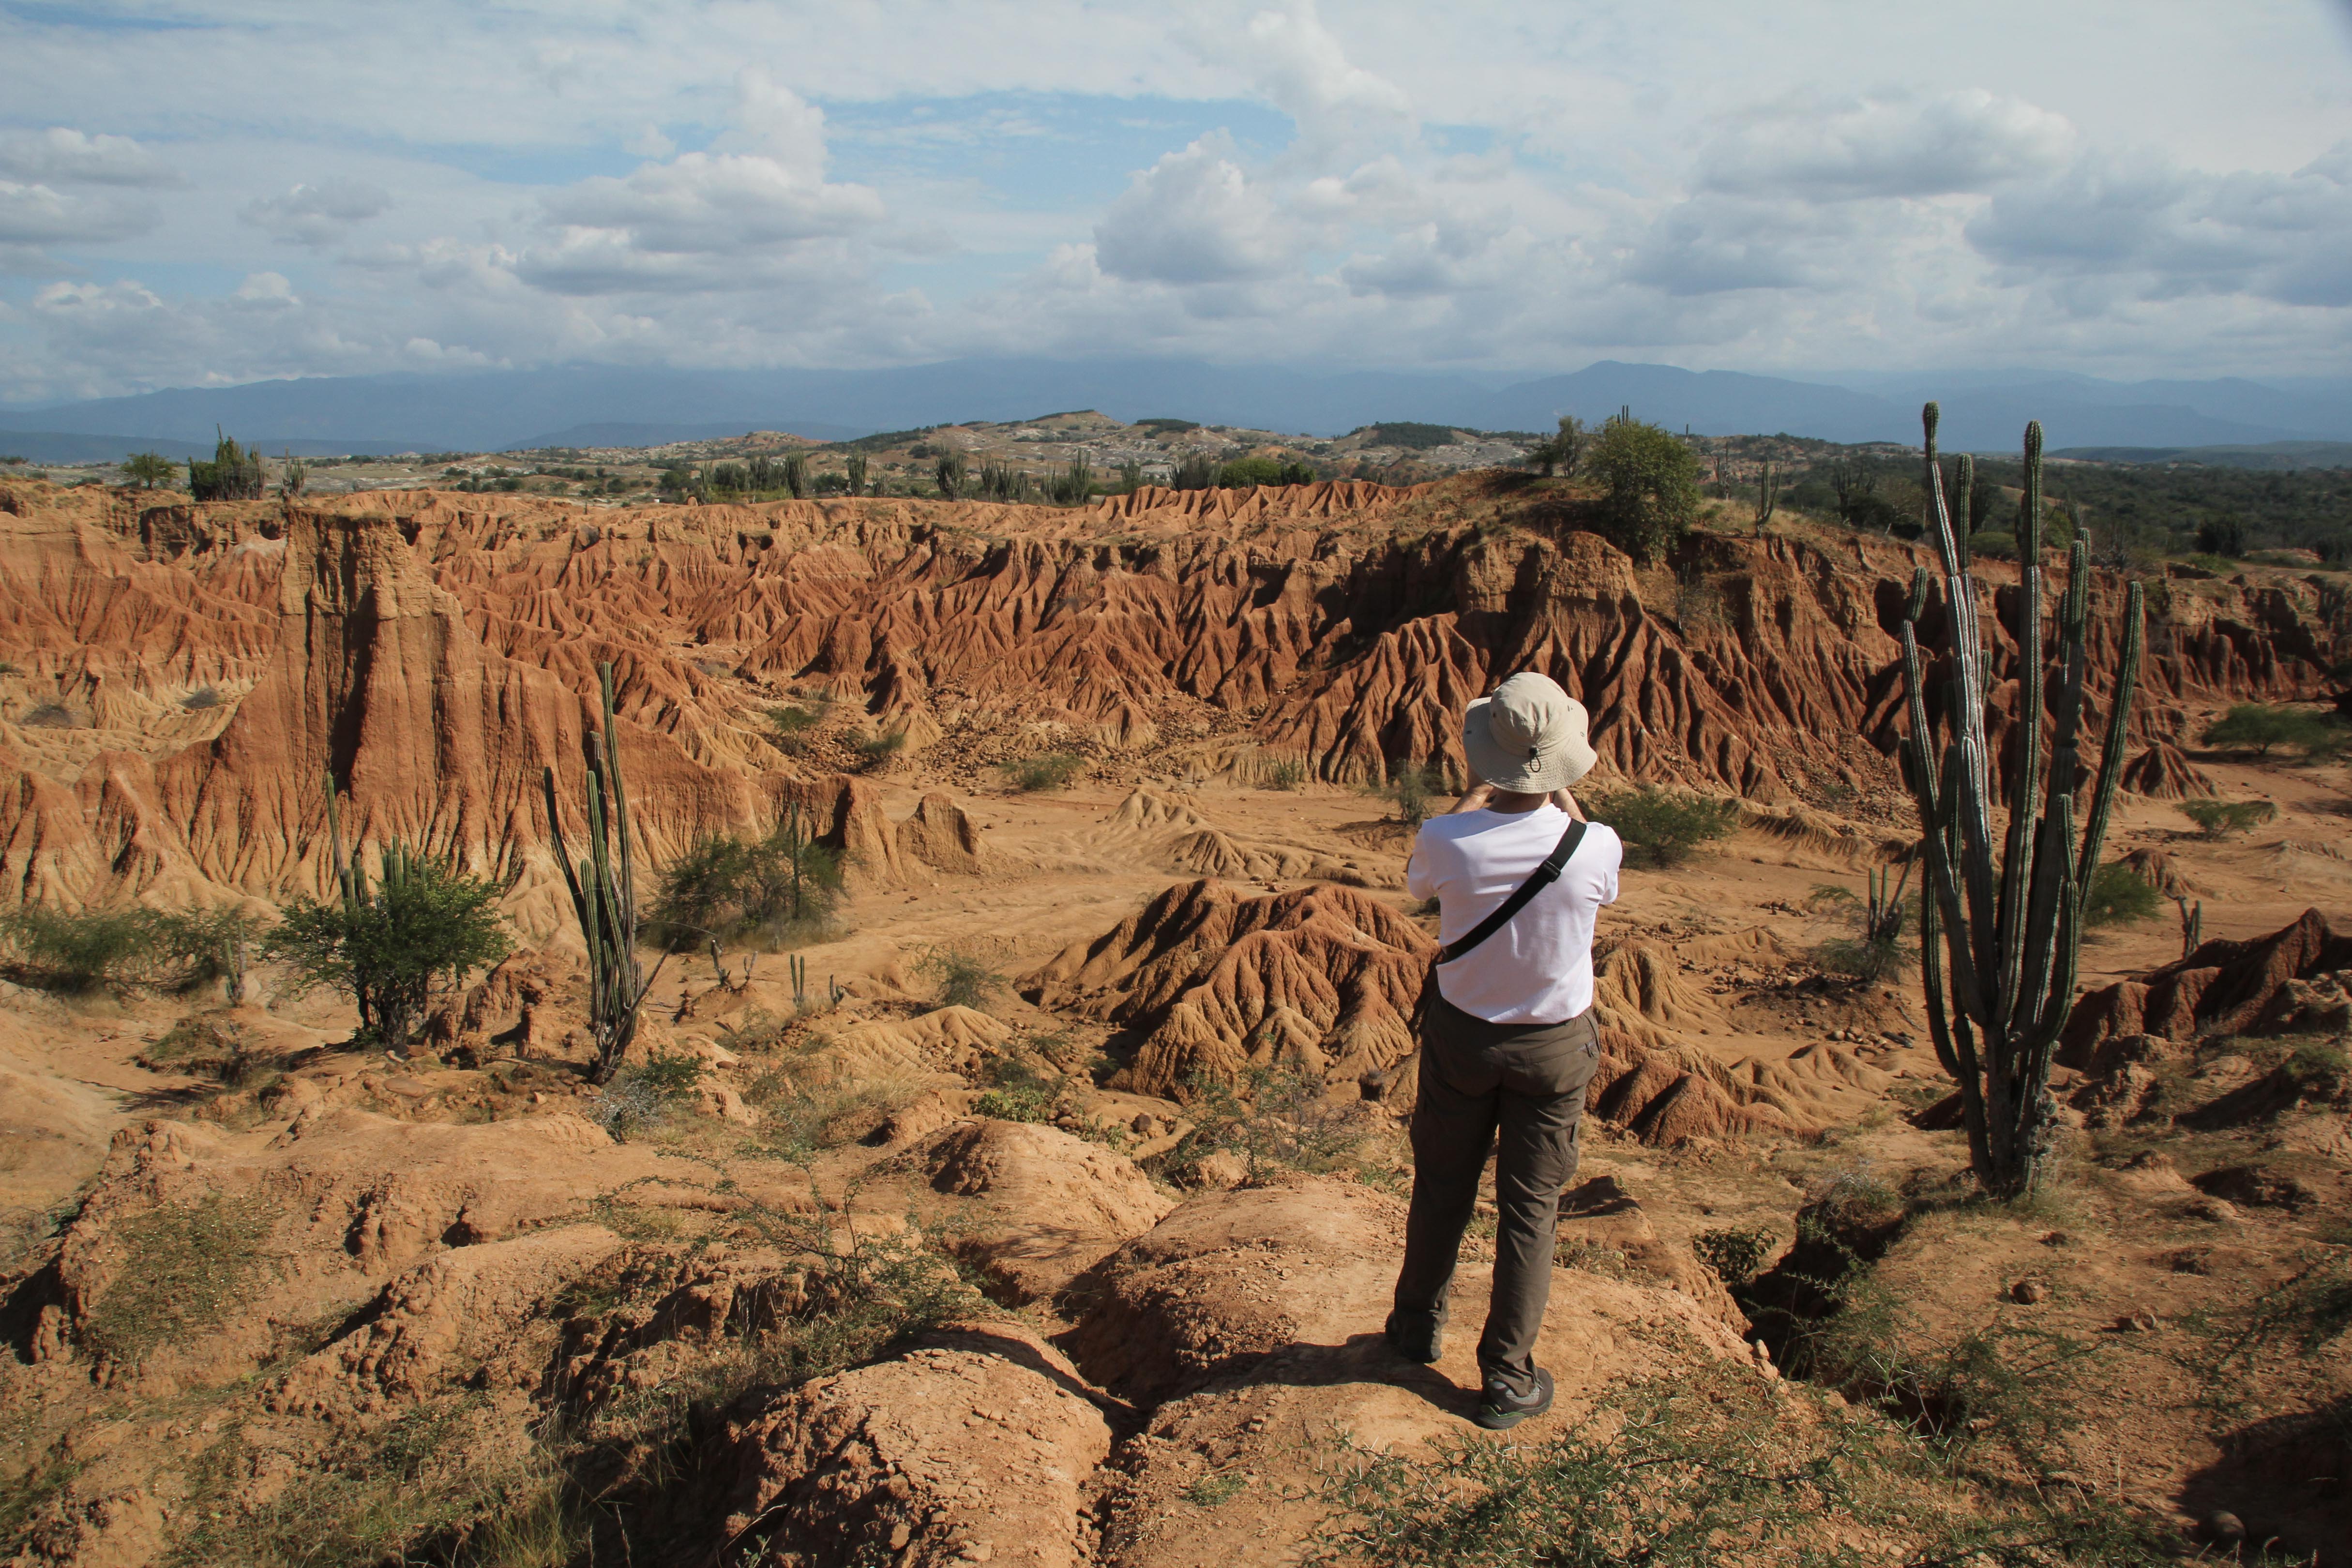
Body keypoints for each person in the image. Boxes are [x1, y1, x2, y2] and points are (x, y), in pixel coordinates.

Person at [1386, 670, 1621, 1430]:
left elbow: (1420, 885)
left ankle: (1415, 1327)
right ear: (1562, 760)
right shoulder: (1594, 847)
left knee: (1441, 1187)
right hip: (1553, 1050)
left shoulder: (1446, 840)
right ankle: (1508, 1380)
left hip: (1462, 1039)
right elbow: (1592, 863)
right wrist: (1560, 796)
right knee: (1530, 1212)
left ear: (1486, 759)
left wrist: (1474, 796)